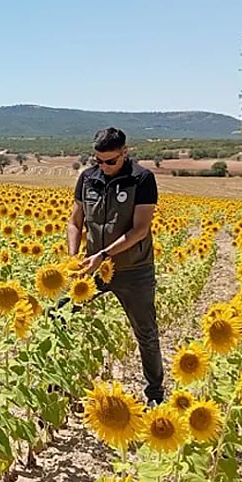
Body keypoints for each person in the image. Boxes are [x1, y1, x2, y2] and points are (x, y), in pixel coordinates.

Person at [64, 127, 164, 405]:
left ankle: (154, 394)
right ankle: (58, 384)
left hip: (133, 270)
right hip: (92, 269)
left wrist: (104, 254)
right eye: (99, 161)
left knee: (146, 332)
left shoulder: (142, 179)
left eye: (111, 161)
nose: (104, 167)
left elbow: (140, 230)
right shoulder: (87, 179)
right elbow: (75, 222)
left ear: (125, 153)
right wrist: (74, 256)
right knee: (60, 315)